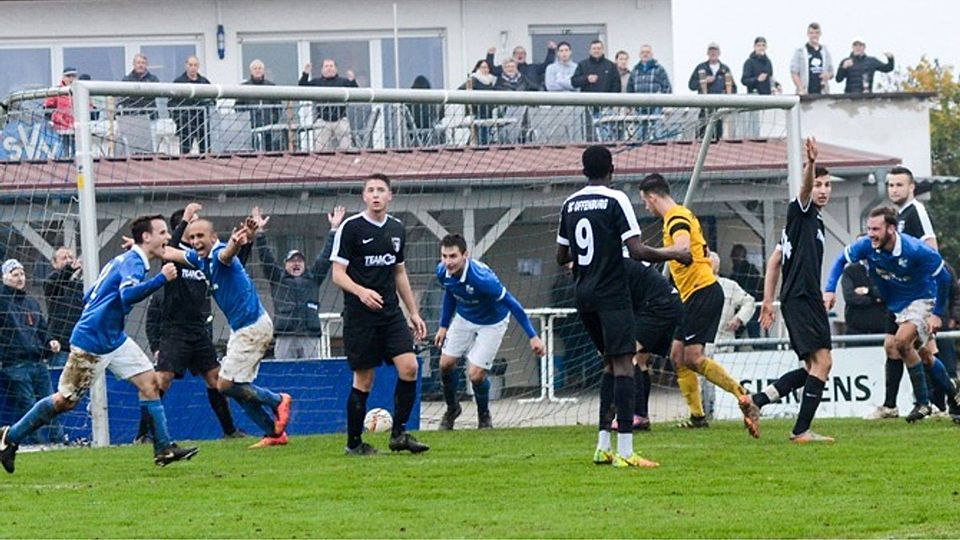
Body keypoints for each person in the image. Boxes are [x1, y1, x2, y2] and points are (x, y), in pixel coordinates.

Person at [0, 215, 199, 474]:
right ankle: (9, 437)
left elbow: (91, 293)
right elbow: (127, 294)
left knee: (151, 383)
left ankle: (163, 448)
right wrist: (161, 279)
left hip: (112, 337)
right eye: (162, 232)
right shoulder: (134, 262)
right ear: (146, 237)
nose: (167, 238)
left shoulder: (126, 259)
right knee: (65, 401)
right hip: (93, 339)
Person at [556, 145, 691, 469]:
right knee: (624, 365)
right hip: (611, 294)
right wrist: (675, 253)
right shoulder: (615, 200)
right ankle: (627, 451)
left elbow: (561, 257)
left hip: (583, 294)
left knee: (609, 365)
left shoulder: (569, 203)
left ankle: (603, 446)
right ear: (612, 169)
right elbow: (637, 250)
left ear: (583, 170)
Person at [637, 174, 758, 434]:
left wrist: (651, 253)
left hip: (702, 291)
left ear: (652, 197)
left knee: (691, 358)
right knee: (678, 357)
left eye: (645, 202)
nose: (646, 207)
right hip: (693, 295)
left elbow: (683, 250)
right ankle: (697, 417)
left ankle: (744, 396)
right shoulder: (679, 216)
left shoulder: (677, 218)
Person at [162, 215, 294, 449]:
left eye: (200, 236)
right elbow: (170, 253)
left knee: (223, 385)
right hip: (243, 328)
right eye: (192, 237)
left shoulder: (218, 254)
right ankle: (273, 433)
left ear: (213, 238)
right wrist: (141, 249)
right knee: (237, 386)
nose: (195, 241)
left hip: (252, 326)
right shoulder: (198, 258)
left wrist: (234, 242)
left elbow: (227, 254)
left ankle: (278, 400)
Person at [824, 206, 959, 422]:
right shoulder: (867, 246)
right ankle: (954, 397)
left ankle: (923, 403)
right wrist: (830, 289)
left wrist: (937, 314)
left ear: (891, 229)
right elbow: (841, 260)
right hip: (898, 305)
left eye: (876, 229)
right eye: (868, 228)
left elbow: (944, 278)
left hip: (924, 299)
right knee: (917, 352)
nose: (871, 234)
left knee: (902, 341)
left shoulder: (915, 249)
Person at [742, 138, 835, 442]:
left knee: (812, 368)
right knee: (823, 362)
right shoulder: (802, 212)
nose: (822, 190)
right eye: (818, 184)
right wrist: (809, 164)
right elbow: (804, 192)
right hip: (802, 298)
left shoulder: (805, 225)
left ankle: (757, 400)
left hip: (798, 299)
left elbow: (774, 260)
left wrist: (768, 302)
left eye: (827, 185)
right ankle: (801, 430)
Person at [330, 173, 429, 456]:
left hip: (390, 313)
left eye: (380, 190)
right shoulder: (351, 228)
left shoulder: (397, 228)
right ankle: (354, 443)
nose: (375, 194)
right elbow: (338, 274)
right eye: (370, 190)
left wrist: (413, 312)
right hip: (359, 316)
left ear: (389, 196)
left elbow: (399, 271)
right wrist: (361, 291)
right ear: (364, 196)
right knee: (364, 380)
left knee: (410, 367)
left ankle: (399, 434)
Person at [137, 204, 245, 443]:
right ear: (183, 228)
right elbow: (169, 249)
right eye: (191, 224)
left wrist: (245, 239)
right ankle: (143, 435)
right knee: (162, 380)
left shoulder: (202, 256)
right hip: (174, 330)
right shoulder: (173, 254)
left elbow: (230, 260)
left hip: (198, 329)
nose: (197, 229)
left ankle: (230, 431)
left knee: (216, 380)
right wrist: (185, 218)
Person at [435, 234, 545, 430]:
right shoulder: (442, 271)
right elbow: (450, 294)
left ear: (465, 255)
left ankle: (484, 415)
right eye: (444, 256)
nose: (448, 262)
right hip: (464, 317)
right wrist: (443, 326)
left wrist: (533, 336)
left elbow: (513, 304)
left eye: (453, 256)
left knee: (475, 375)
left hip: (492, 322)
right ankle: (452, 409)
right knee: (445, 364)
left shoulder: (482, 279)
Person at [869, 166, 941, 419]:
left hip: (917, 295)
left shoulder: (916, 211)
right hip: (900, 294)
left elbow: (932, 248)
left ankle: (939, 404)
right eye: (890, 185)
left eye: (899, 185)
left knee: (925, 351)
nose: (894, 189)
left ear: (911, 188)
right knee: (892, 346)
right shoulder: (894, 215)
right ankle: (891, 405)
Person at [253, 205, 344, 359]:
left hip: (309, 335)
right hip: (285, 336)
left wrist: (334, 229)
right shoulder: (278, 279)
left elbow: (325, 257)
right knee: (284, 373)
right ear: (285, 264)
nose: (296, 263)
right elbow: (266, 258)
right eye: (292, 261)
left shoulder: (313, 278)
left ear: (305, 264)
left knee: (310, 372)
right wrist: (259, 233)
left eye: (299, 261)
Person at [0, 259, 65, 445]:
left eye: (21, 274)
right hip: (15, 364)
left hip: (38, 362)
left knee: (53, 404)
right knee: (28, 407)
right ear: (4, 277)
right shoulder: (2, 302)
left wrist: (50, 341)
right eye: (15, 274)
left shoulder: (31, 302)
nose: (20, 278)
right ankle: (35, 444)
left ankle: (58, 442)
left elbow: (42, 329)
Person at [619, 257, 683, 431]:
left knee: (627, 355)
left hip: (658, 306)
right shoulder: (631, 261)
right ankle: (642, 417)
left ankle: (635, 415)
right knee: (640, 359)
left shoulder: (616, 264)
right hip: (668, 303)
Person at [299, 59, 359, 151]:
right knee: (320, 150)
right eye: (326, 66)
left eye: (331, 66)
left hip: (341, 119)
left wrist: (352, 81)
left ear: (336, 69)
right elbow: (301, 89)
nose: (329, 68)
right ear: (322, 70)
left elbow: (356, 93)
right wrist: (305, 74)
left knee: (346, 148)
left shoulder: (343, 81)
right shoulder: (316, 82)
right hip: (322, 120)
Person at [43, 247, 84, 367]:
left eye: (71, 257)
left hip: (81, 346)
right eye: (64, 258)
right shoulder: (51, 283)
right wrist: (69, 269)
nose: (69, 260)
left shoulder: (81, 286)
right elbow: (56, 281)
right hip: (61, 348)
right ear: (54, 263)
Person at [687, 43, 735, 140]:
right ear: (707, 53)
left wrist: (727, 95)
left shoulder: (725, 69)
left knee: (719, 134)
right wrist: (704, 81)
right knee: (703, 132)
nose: (713, 53)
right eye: (711, 51)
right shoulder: (701, 68)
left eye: (715, 51)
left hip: (720, 107)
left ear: (719, 53)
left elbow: (733, 88)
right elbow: (691, 85)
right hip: (704, 106)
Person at [709, 252, 757, 348]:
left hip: (724, 343)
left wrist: (739, 319)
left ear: (717, 268)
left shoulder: (729, 286)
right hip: (700, 346)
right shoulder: (693, 286)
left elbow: (749, 302)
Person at [236, 59, 283, 152]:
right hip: (250, 128)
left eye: (260, 68)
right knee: (251, 152)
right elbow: (238, 106)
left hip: (268, 126)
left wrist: (272, 119)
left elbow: (277, 106)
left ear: (263, 70)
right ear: (251, 71)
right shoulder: (243, 88)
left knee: (269, 152)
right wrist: (245, 120)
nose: (258, 70)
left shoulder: (271, 87)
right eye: (255, 68)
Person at [628, 45, 672, 141]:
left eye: (647, 52)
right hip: (639, 106)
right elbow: (630, 88)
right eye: (643, 52)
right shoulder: (635, 70)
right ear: (639, 55)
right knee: (639, 134)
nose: (645, 54)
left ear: (652, 54)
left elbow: (667, 87)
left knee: (657, 132)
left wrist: (666, 104)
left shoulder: (659, 69)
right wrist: (630, 105)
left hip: (655, 105)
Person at [171, 56, 213, 155]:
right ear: (186, 66)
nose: (193, 67)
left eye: (195, 65)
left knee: (206, 153)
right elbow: (172, 104)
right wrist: (179, 119)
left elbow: (212, 100)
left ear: (198, 67)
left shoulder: (204, 82)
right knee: (184, 154)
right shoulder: (179, 82)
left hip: (203, 124)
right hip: (186, 124)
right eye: (190, 65)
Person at [840, 259, 890, 335]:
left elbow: (888, 292)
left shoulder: (886, 269)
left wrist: (867, 291)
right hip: (855, 329)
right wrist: (874, 300)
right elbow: (850, 297)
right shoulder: (850, 270)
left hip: (881, 328)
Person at [486, 42, 556, 91]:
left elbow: (547, 65)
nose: (520, 55)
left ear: (525, 55)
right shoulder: (506, 68)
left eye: (522, 53)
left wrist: (551, 51)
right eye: (518, 53)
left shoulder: (532, 68)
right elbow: (492, 70)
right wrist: (490, 55)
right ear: (513, 55)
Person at [458, 60, 497, 145]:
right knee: (478, 131)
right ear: (478, 68)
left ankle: (484, 143)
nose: (485, 70)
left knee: (487, 128)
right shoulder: (474, 79)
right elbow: (460, 90)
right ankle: (481, 144)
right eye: (483, 67)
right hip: (476, 110)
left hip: (489, 110)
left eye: (486, 67)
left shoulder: (491, 81)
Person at [729, 244, 763, 338]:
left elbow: (755, 288)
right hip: (741, 307)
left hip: (752, 305)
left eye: (735, 255)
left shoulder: (749, 271)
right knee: (736, 334)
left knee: (754, 336)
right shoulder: (737, 272)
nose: (733, 258)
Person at [790, 22, 834, 95]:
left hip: (822, 93)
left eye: (817, 33)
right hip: (805, 92)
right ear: (808, 34)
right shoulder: (800, 51)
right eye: (812, 33)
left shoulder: (825, 51)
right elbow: (794, 72)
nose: (814, 35)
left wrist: (828, 75)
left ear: (820, 34)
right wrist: (800, 88)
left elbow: (831, 72)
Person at [43, 67, 78, 157]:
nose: (71, 79)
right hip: (62, 124)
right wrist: (52, 119)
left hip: (78, 124)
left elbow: (89, 106)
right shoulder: (57, 91)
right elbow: (48, 107)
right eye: (68, 76)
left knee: (77, 148)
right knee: (64, 146)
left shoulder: (81, 91)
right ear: (63, 78)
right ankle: (66, 161)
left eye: (73, 76)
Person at [406, 76, 445, 146]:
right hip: (427, 131)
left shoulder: (409, 104)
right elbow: (430, 121)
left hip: (414, 133)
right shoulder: (427, 105)